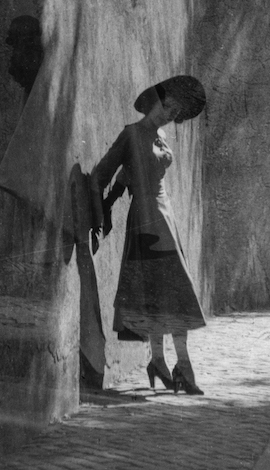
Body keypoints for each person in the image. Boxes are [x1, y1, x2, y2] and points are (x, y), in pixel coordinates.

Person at [89, 75, 208, 394]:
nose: (169, 115)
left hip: (164, 216)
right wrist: (101, 212)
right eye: (168, 106)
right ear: (156, 99)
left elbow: (130, 174)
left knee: (164, 289)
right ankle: (182, 365)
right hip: (144, 219)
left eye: (175, 113)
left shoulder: (161, 135)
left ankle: (159, 361)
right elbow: (104, 174)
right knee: (172, 287)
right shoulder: (131, 134)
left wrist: (118, 190)